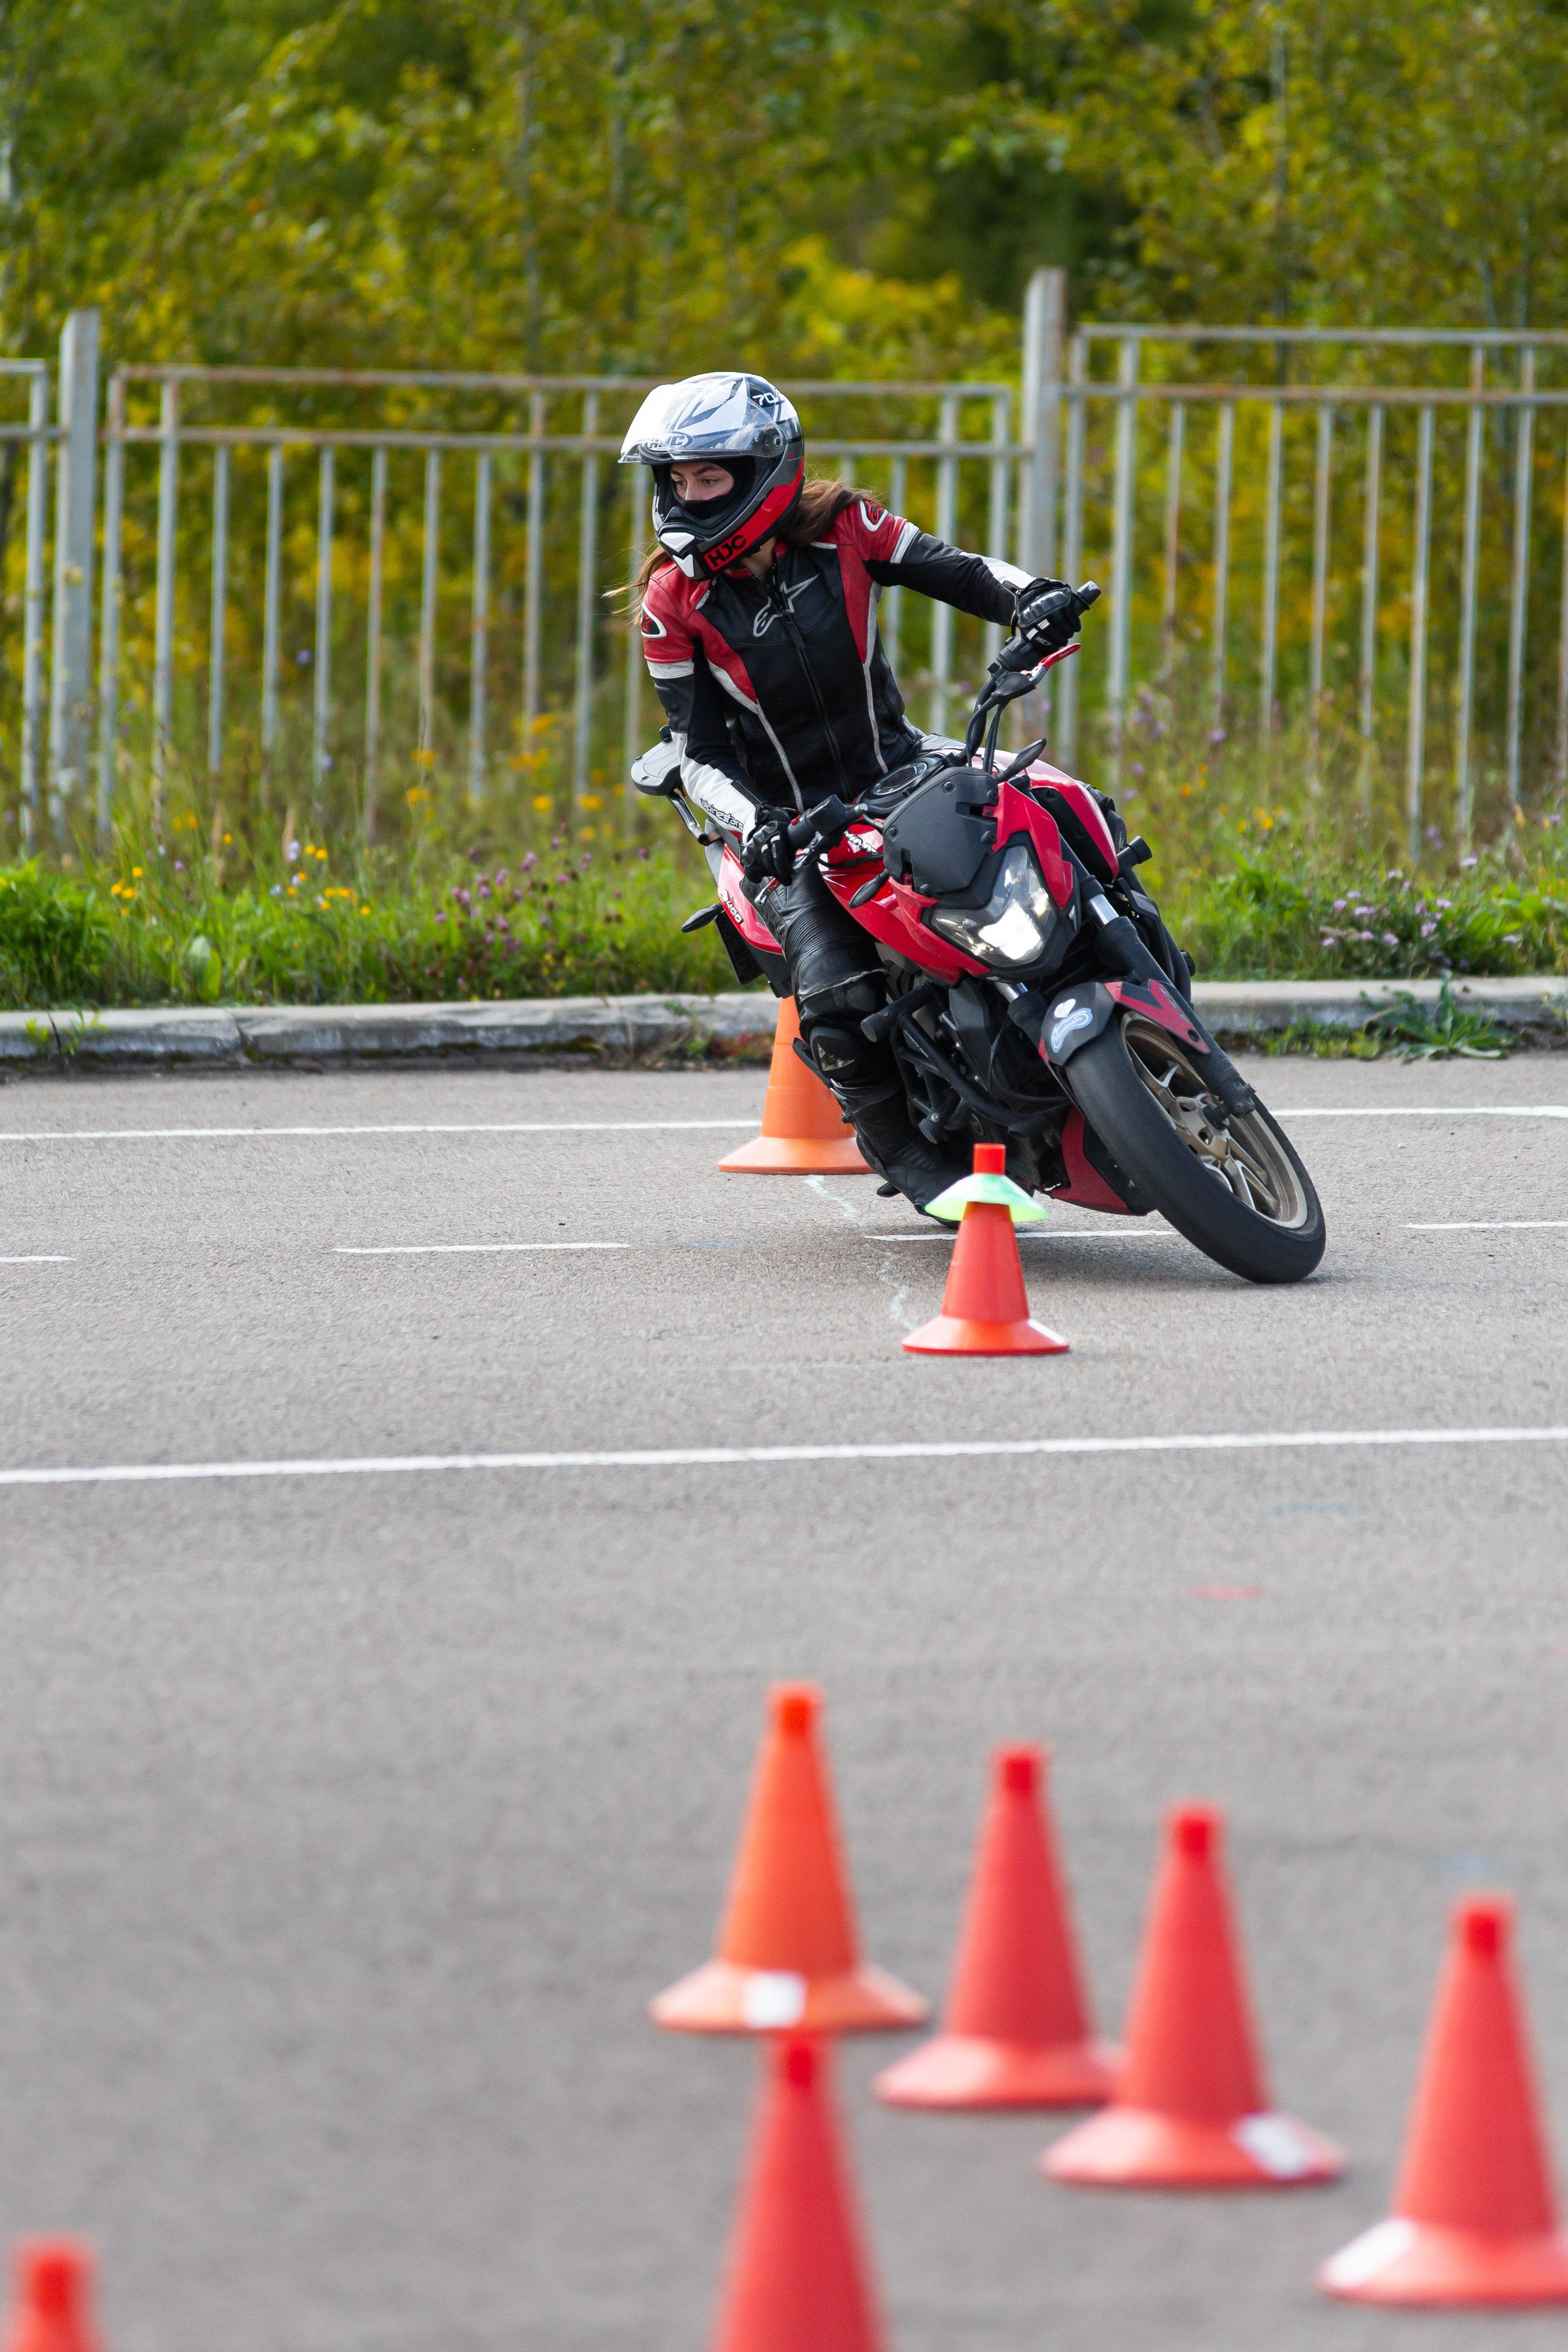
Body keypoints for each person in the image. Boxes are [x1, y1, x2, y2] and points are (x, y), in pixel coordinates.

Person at [621, 369, 1083, 1209]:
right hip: (782, 824)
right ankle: (900, 1149)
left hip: (898, 767)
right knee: (831, 984)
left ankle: (1132, 963)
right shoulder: (669, 600)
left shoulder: (846, 527)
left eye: (708, 477)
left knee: (1057, 803)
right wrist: (755, 826)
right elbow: (694, 751)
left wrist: (1032, 598)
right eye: (675, 480)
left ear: (766, 470)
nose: (686, 498)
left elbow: (961, 571)